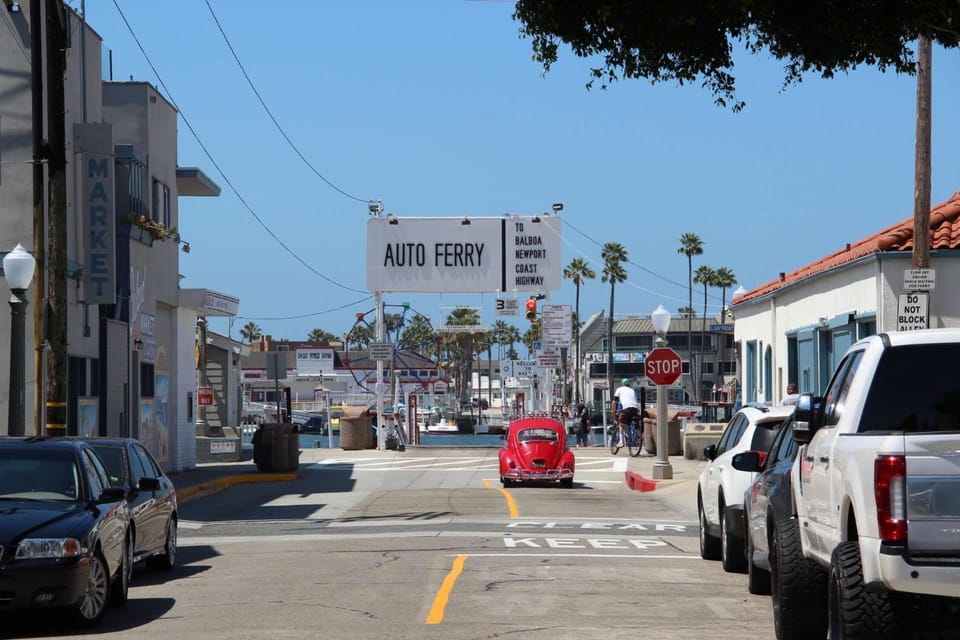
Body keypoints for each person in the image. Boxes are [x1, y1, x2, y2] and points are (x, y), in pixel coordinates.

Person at [611, 378, 641, 447]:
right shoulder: (632, 390)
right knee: (628, 423)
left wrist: (613, 411)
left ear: (622, 384)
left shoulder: (619, 389)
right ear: (629, 384)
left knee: (621, 424)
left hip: (627, 408)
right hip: (635, 409)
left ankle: (621, 442)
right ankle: (631, 438)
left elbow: (614, 402)